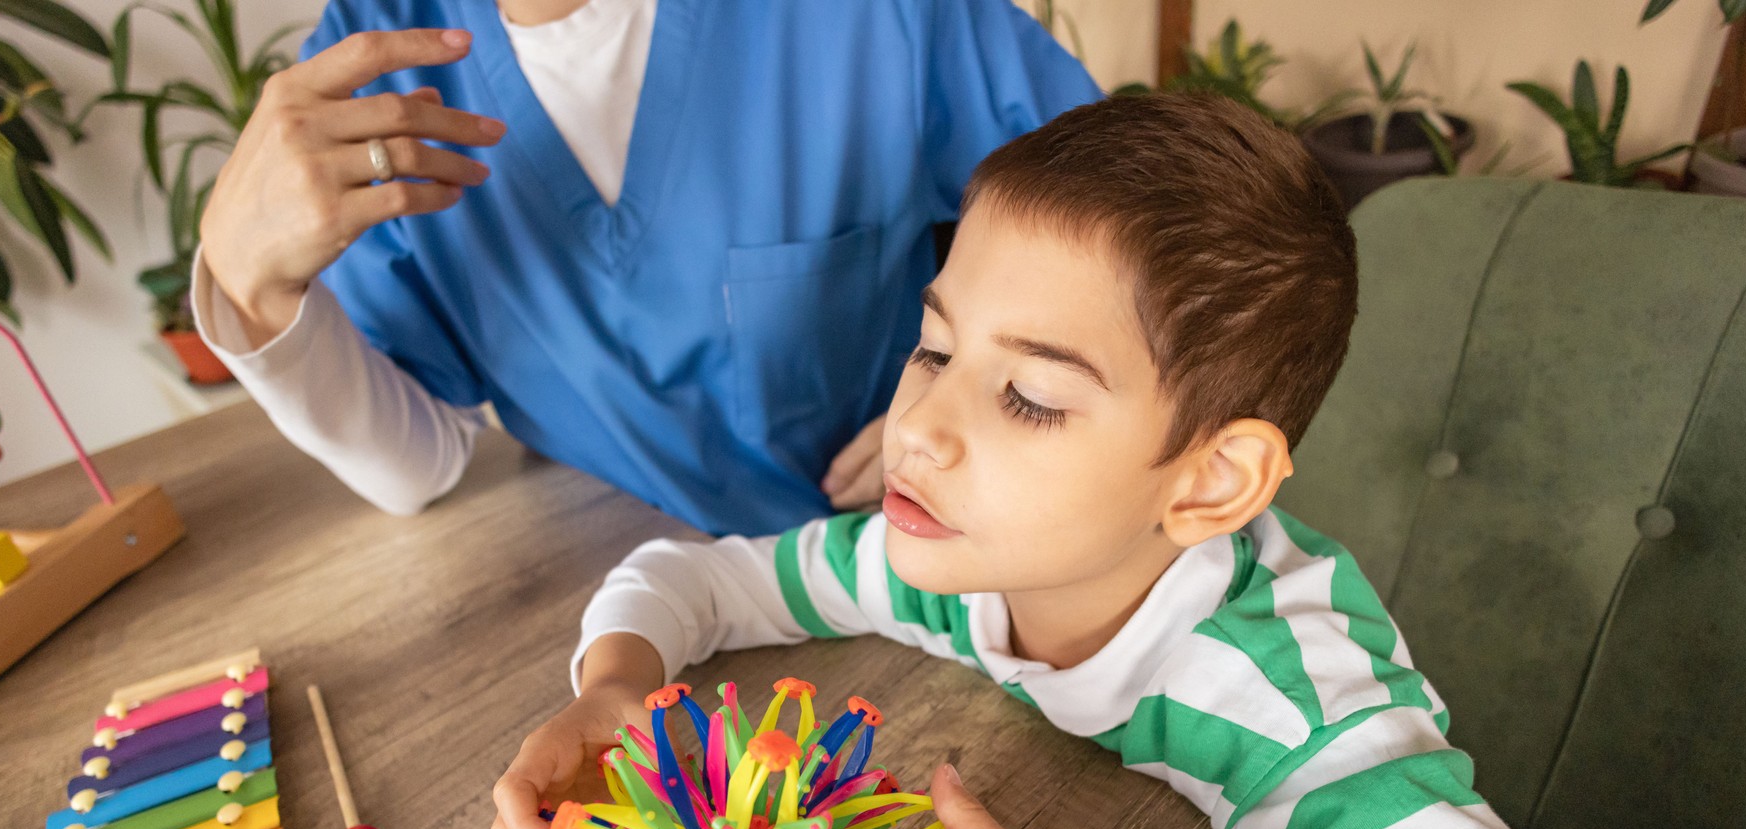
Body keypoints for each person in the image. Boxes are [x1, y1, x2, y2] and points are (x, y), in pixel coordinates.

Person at [491, 94, 1746, 829]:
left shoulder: (1287, 700)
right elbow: (698, 577)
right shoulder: (936, 554)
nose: (921, 427)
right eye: (937, 346)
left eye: (1033, 398)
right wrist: (616, 685)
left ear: (1211, 479)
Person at [194, 1, 1097, 533]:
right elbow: (417, 461)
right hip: (622, 605)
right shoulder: (372, 56)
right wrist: (251, 289)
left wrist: (972, 399)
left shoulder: (876, 21)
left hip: (890, 556)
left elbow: (1117, 227)